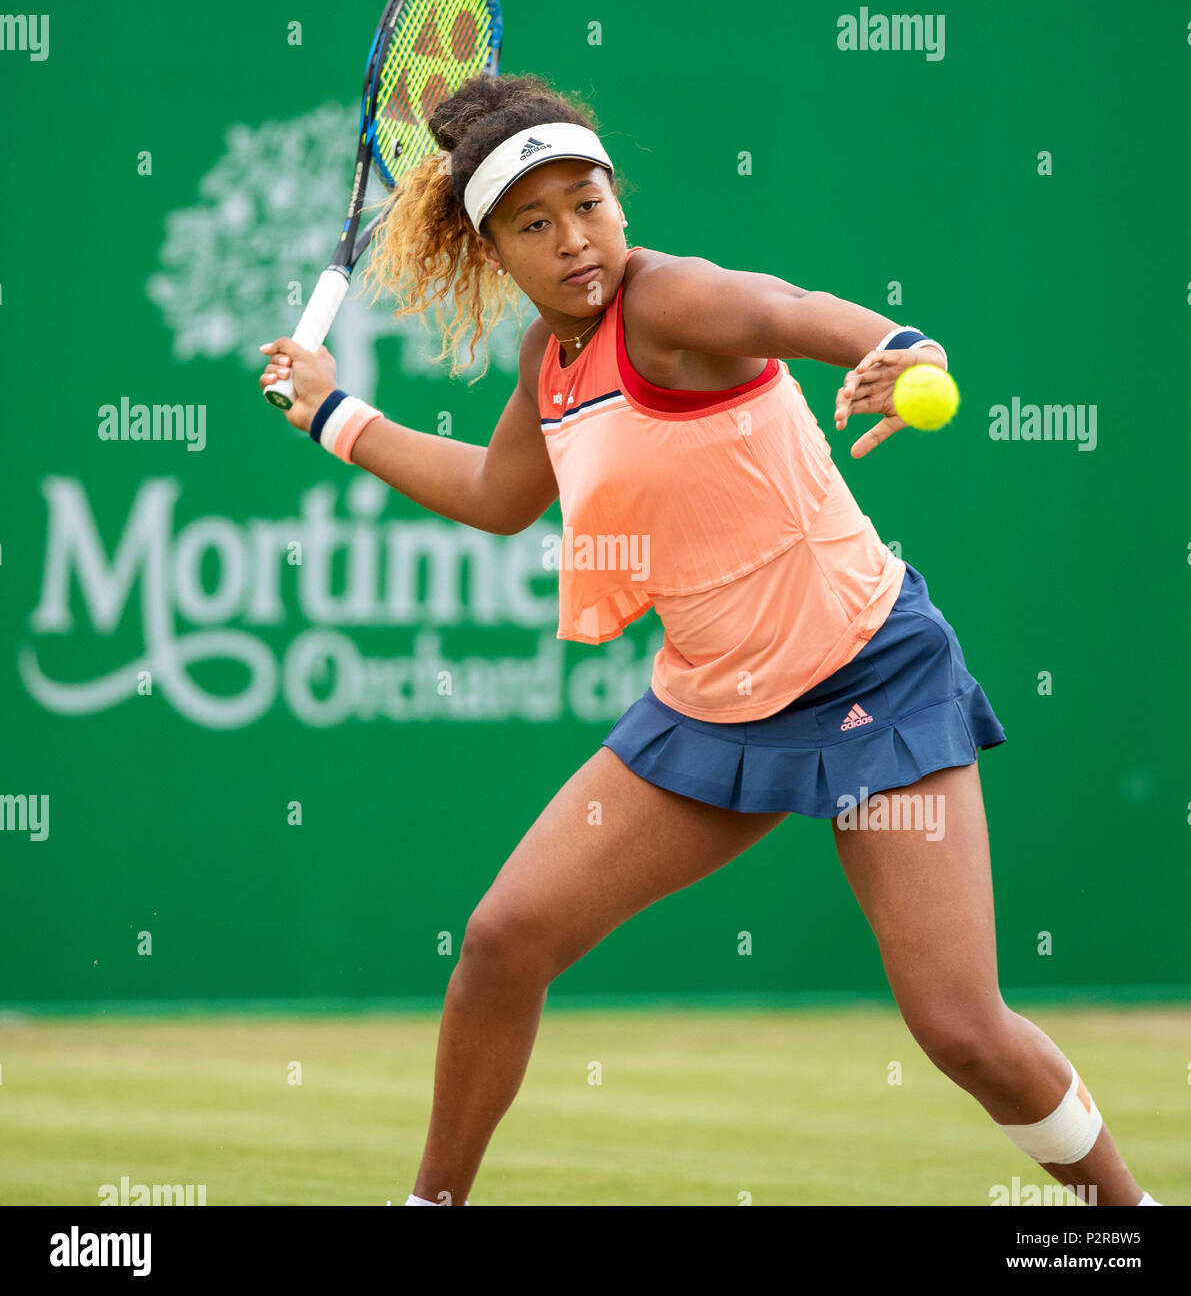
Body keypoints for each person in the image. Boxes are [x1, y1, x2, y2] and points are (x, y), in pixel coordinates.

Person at [260, 73, 1160, 1209]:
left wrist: (904, 346)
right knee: (502, 937)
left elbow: (785, 307)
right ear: (496, 253)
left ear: (618, 202)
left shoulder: (667, 300)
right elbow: (499, 491)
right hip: (711, 703)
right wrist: (338, 417)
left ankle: (1126, 1217)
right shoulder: (552, 363)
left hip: (872, 675)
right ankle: (432, 1205)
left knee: (960, 1027)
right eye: (534, 227)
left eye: (588, 204)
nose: (574, 241)